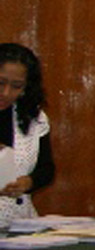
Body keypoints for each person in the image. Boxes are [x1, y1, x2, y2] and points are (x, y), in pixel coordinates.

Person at [0, 44, 53, 222]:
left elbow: (46, 169)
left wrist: (27, 182)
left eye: (16, 86)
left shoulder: (34, 118)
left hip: (19, 221)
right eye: (0, 83)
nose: (6, 93)